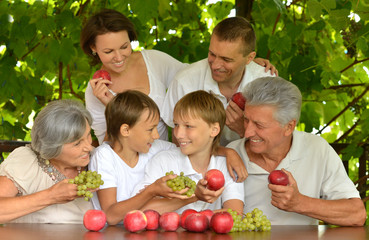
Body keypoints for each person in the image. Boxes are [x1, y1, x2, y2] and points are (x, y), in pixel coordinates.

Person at [80, 9, 276, 145]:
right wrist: (111, 107)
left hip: (161, 154)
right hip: (124, 164)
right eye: (108, 51)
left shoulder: (154, 61)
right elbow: (105, 145)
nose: (119, 57)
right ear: (93, 49)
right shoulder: (96, 90)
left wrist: (248, 63)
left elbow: (197, 73)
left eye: (124, 46)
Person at [227, 76, 367, 226]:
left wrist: (299, 203)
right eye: (246, 120)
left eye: (259, 125)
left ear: (289, 127)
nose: (247, 132)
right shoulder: (230, 154)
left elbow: (357, 214)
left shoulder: (316, 148)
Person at [162, 16, 277, 146]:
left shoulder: (267, 84)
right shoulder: (185, 82)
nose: (215, 65)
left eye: (226, 60)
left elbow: (274, 144)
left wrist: (244, 129)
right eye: (212, 54)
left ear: (249, 58)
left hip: (251, 161)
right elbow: (179, 142)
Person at [134, 90, 244, 214]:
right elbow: (141, 211)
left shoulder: (226, 165)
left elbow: (235, 213)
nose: (178, 134)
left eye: (188, 126)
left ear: (214, 130)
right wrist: (194, 197)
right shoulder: (163, 161)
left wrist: (193, 220)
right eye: (176, 124)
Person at [88, 90, 189, 225]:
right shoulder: (104, 156)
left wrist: (225, 151)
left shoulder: (156, 147)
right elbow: (111, 216)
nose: (156, 135)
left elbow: (191, 148)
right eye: (150, 129)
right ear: (125, 130)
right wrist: (151, 191)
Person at [0, 99, 95, 223]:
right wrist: (51, 196)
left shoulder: (98, 161)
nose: (89, 147)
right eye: (77, 143)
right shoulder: (27, 161)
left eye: (88, 135)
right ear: (52, 147)